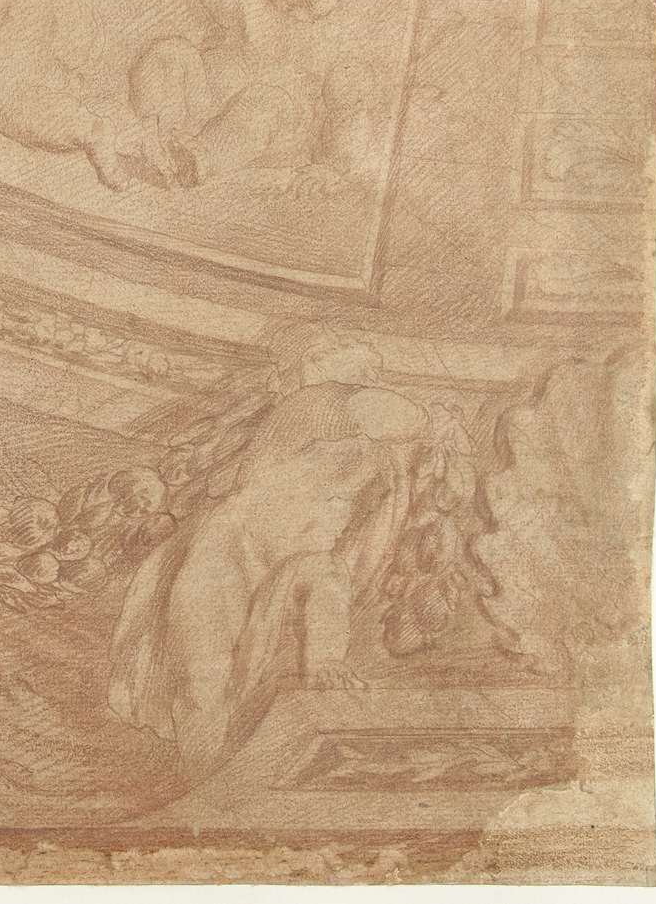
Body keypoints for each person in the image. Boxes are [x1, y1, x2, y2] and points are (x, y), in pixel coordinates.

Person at [107, 328, 434, 776]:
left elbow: (329, 573)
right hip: (223, 558)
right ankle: (205, 788)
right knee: (202, 686)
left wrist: (326, 657)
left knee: (218, 694)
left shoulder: (364, 454)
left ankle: (214, 787)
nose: (370, 377)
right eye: (359, 369)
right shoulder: (311, 407)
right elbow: (404, 417)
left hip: (279, 561)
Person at [129, 0, 384, 191]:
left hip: (269, 131)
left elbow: (349, 110)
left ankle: (195, 161)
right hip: (203, 103)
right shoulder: (253, 6)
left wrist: (333, 167)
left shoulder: (338, 46)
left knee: (264, 102)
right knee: (171, 51)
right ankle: (154, 129)